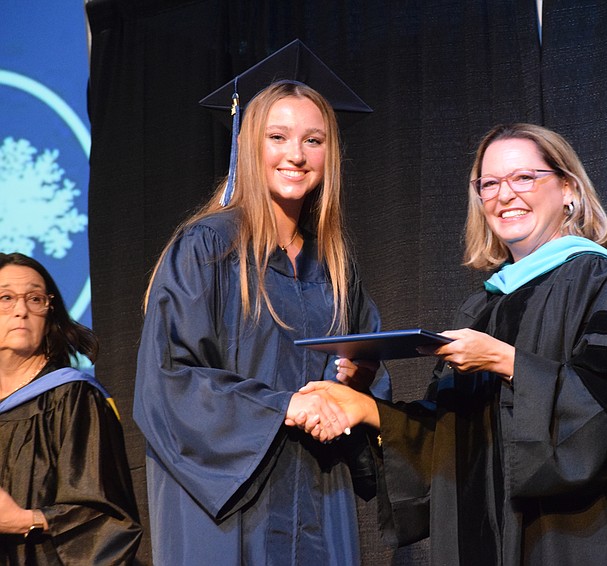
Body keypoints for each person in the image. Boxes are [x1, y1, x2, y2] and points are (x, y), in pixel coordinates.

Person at [294, 124, 607, 565]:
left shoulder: (596, 280)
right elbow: (451, 440)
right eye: (490, 183)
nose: (505, 195)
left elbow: (602, 414)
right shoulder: (481, 306)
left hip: (573, 538)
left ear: (568, 190)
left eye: (525, 178)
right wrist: (362, 407)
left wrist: (505, 361)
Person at [134, 40, 390, 565]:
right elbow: (169, 379)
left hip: (317, 500)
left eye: (313, 140)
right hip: (227, 506)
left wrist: (354, 389)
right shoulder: (208, 248)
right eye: (278, 137)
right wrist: (286, 406)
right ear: (249, 145)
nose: (296, 155)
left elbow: (368, 373)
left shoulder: (337, 267)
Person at [0, 252, 142, 564]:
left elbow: (107, 517)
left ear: (49, 312)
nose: (21, 310)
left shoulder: (73, 398)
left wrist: (26, 519)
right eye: (6, 297)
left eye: (35, 298)